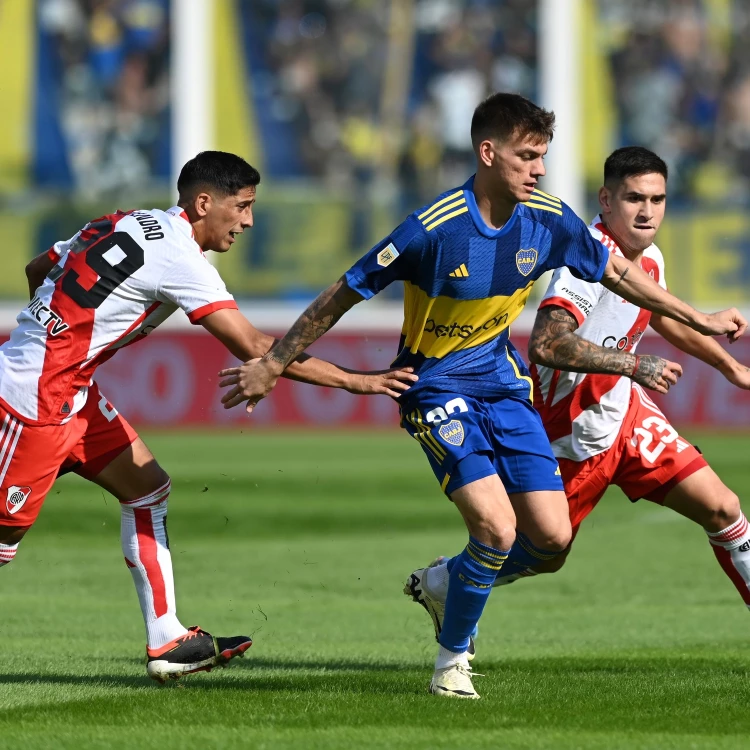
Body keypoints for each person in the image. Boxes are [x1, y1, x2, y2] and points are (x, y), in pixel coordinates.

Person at [218, 95, 746, 700]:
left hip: (502, 383)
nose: (540, 169)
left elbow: (624, 276)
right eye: (528, 156)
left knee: (550, 539)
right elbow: (345, 291)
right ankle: (451, 664)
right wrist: (275, 363)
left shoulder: (549, 218)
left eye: (543, 156)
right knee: (496, 528)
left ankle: (445, 588)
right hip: (435, 386)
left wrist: (701, 320)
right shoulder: (432, 228)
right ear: (488, 153)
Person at [1, 150, 417, 683]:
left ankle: (167, 639)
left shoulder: (121, 221)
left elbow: (40, 268)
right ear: (204, 203)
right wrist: (362, 381)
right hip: (34, 398)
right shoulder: (180, 256)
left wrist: (55, 329)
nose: (247, 220)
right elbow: (257, 345)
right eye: (241, 207)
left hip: (68, 390)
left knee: (147, 488)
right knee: (2, 547)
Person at [423, 145, 750, 658]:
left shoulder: (652, 256)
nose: (647, 211)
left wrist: (729, 366)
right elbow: (549, 344)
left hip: (627, 415)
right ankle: (446, 581)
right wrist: (634, 365)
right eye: (634, 198)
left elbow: (657, 317)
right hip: (571, 434)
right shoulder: (584, 262)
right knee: (547, 552)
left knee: (723, 507)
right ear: (606, 199)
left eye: (658, 199)